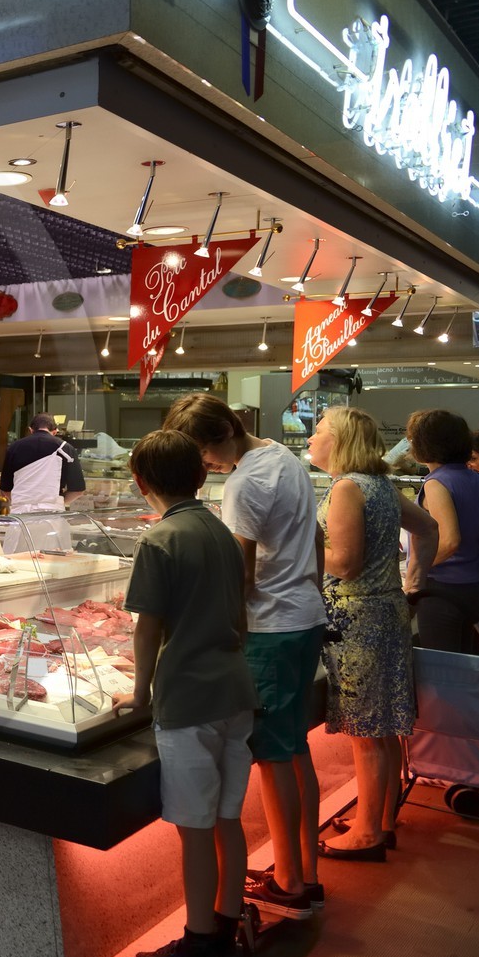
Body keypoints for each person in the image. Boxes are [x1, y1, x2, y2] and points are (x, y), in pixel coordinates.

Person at [163, 393, 325, 918]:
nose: (203, 465)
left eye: (202, 453)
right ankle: (305, 872)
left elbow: (240, 574)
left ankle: (289, 882)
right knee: (295, 748)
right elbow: (316, 537)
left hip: (270, 627)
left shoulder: (244, 482)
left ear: (222, 436)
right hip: (303, 615)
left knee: (274, 756)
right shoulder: (283, 456)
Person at [114, 430, 258, 957]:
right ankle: (226, 928)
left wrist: (139, 693)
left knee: (195, 827)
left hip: (189, 699)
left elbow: (147, 628)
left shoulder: (159, 540)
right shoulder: (221, 531)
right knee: (226, 819)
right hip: (235, 691)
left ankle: (199, 948)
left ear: (140, 482)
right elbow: (239, 613)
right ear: (201, 476)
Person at [308, 406, 437, 860]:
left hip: (356, 617)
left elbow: (344, 563)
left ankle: (366, 835)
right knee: (383, 727)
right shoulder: (380, 483)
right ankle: (381, 819)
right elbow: (428, 528)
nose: (310, 438)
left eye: (318, 430)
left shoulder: (347, 487)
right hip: (385, 609)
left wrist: (302, 543)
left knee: (365, 731)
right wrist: (413, 582)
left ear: (340, 440)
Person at [406, 409, 479, 656]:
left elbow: (450, 541)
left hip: (444, 590)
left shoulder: (437, 482)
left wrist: (416, 570)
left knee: (442, 670)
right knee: (464, 666)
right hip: (474, 584)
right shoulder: (476, 478)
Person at [0, 413, 85, 512]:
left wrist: (22, 500)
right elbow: (78, 491)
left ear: (31, 430)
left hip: (21, 512)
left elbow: (5, 489)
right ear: (55, 432)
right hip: (53, 512)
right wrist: (58, 502)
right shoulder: (66, 448)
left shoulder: (14, 447)